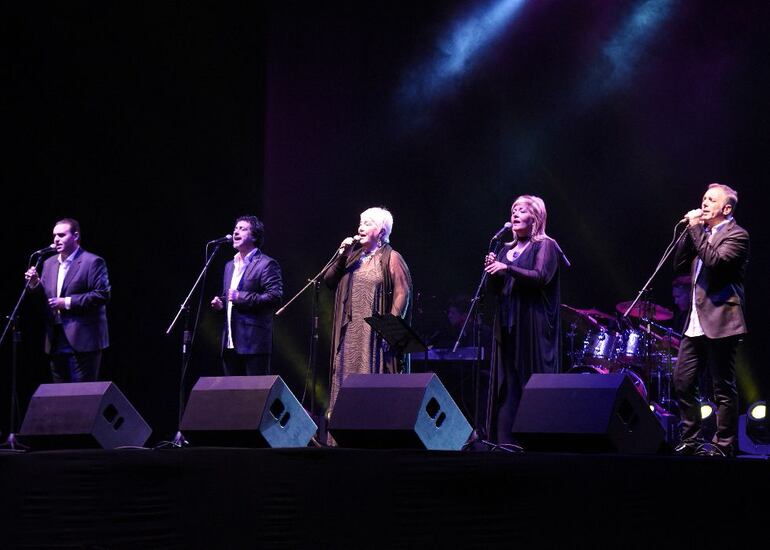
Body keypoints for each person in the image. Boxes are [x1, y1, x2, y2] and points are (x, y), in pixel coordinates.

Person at [673, 183, 749, 458]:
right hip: (695, 322)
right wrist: (689, 232)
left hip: (722, 320)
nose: (704, 203)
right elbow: (679, 266)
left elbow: (715, 262)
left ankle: (724, 444)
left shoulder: (738, 235)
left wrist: (696, 229)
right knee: (682, 381)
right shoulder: (700, 233)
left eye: (711, 200)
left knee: (722, 387)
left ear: (726, 209)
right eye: (704, 198)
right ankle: (691, 439)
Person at [483, 195, 564, 445]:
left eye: (522, 210)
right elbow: (494, 291)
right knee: (508, 384)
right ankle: (505, 443)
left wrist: (507, 268)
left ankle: (535, 442)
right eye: (513, 210)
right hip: (508, 324)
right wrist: (493, 272)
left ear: (535, 217)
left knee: (530, 382)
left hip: (533, 325)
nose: (515, 214)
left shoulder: (546, 245)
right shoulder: (504, 250)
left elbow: (540, 276)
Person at [324, 207, 412, 416]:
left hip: (373, 334)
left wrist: (390, 327)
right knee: (345, 376)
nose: (360, 228)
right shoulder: (352, 257)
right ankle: (343, 426)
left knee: (370, 377)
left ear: (381, 231)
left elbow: (403, 292)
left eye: (367, 223)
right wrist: (342, 255)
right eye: (360, 223)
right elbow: (329, 280)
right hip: (349, 333)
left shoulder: (391, 257)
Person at [24, 218, 110, 382]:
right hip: (55, 339)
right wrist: (35, 283)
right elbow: (45, 299)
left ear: (75, 236)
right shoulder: (49, 263)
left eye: (62, 235)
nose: (56, 239)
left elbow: (102, 295)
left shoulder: (92, 262)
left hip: (83, 340)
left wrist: (67, 302)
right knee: (59, 393)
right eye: (54, 235)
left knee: (81, 393)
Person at [210, 215, 283, 376]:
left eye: (242, 229)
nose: (236, 232)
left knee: (255, 392)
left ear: (254, 236)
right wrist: (221, 304)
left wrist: (240, 297)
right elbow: (229, 297)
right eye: (235, 228)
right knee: (231, 391)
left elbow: (274, 297)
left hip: (254, 345)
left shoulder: (266, 264)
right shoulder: (229, 266)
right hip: (230, 344)